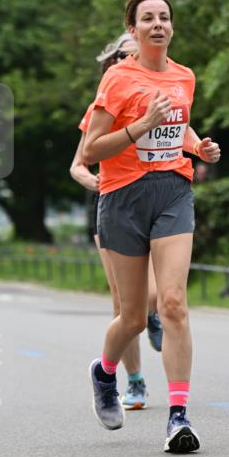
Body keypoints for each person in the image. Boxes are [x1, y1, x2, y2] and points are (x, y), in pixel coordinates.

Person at [81, 0, 221, 453]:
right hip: (122, 197)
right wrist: (141, 124)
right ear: (133, 29)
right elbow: (92, 149)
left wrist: (197, 147)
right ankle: (105, 372)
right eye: (148, 18)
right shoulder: (118, 79)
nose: (158, 24)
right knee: (134, 317)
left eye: (164, 17)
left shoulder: (184, 76)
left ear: (172, 27)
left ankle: (178, 417)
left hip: (173, 192)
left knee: (174, 303)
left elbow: (178, 125)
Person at [70, 32, 163, 412]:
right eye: (125, 55)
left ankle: (152, 313)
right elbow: (78, 163)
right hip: (112, 204)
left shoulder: (160, 97)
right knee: (123, 306)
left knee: (154, 296)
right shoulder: (103, 105)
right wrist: (89, 180)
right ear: (114, 62)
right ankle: (135, 381)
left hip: (154, 199)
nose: (131, 61)